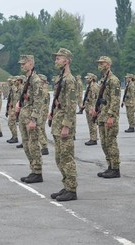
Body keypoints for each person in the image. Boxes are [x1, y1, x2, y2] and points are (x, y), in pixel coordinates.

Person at [49, 48, 78, 201]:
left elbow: (71, 105)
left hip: (64, 124)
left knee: (66, 157)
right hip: (58, 122)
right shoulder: (61, 78)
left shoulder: (70, 80)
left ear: (66, 60)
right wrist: (52, 113)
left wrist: (66, 125)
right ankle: (66, 184)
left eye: (58, 58)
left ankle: (72, 189)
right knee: (59, 157)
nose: (56, 61)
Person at [16, 55, 44, 184]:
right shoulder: (27, 79)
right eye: (21, 64)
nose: (22, 66)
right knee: (27, 144)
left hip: (30, 117)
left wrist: (33, 119)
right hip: (24, 114)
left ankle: (37, 172)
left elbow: (38, 101)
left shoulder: (36, 80)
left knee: (33, 145)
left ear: (31, 63)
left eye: (24, 64)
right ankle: (33, 170)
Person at [94, 56, 122, 179]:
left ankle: (115, 168)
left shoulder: (113, 80)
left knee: (111, 142)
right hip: (102, 115)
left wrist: (111, 115)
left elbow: (115, 100)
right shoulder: (103, 79)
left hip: (110, 116)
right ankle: (110, 166)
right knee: (104, 143)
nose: (100, 65)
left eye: (102, 63)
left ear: (108, 64)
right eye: (99, 63)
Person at [83, 73, 99, 146]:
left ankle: (93, 139)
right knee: (90, 123)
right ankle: (92, 137)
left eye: (88, 78)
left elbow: (94, 99)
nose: (86, 79)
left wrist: (92, 108)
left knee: (92, 123)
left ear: (92, 79)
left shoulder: (94, 86)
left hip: (91, 107)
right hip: (88, 106)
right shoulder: (89, 86)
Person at [38, 74, 50, 155]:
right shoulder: (42, 89)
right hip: (42, 111)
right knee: (41, 128)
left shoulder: (44, 91)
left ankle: (44, 146)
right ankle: (44, 145)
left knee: (39, 128)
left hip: (42, 111)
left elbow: (43, 104)